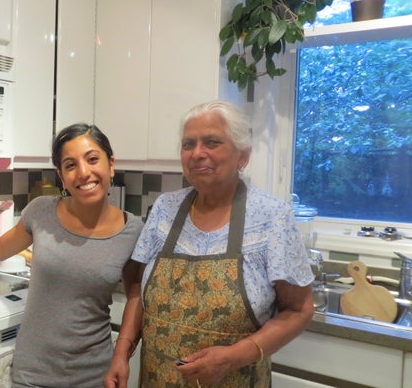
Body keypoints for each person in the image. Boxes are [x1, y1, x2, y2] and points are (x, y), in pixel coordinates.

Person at [0, 123, 144, 387]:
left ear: (110, 164)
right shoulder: (42, 211)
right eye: (70, 165)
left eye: (92, 159)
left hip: (95, 375)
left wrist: (122, 353)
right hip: (33, 374)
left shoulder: (133, 230)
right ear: (61, 176)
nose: (83, 172)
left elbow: (136, 291)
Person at [104, 100, 315, 388]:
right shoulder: (165, 208)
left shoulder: (272, 216)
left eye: (212, 142)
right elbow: (138, 292)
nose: (197, 154)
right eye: (188, 144)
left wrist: (232, 358)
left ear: (243, 156)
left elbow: (299, 310)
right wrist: (122, 352)